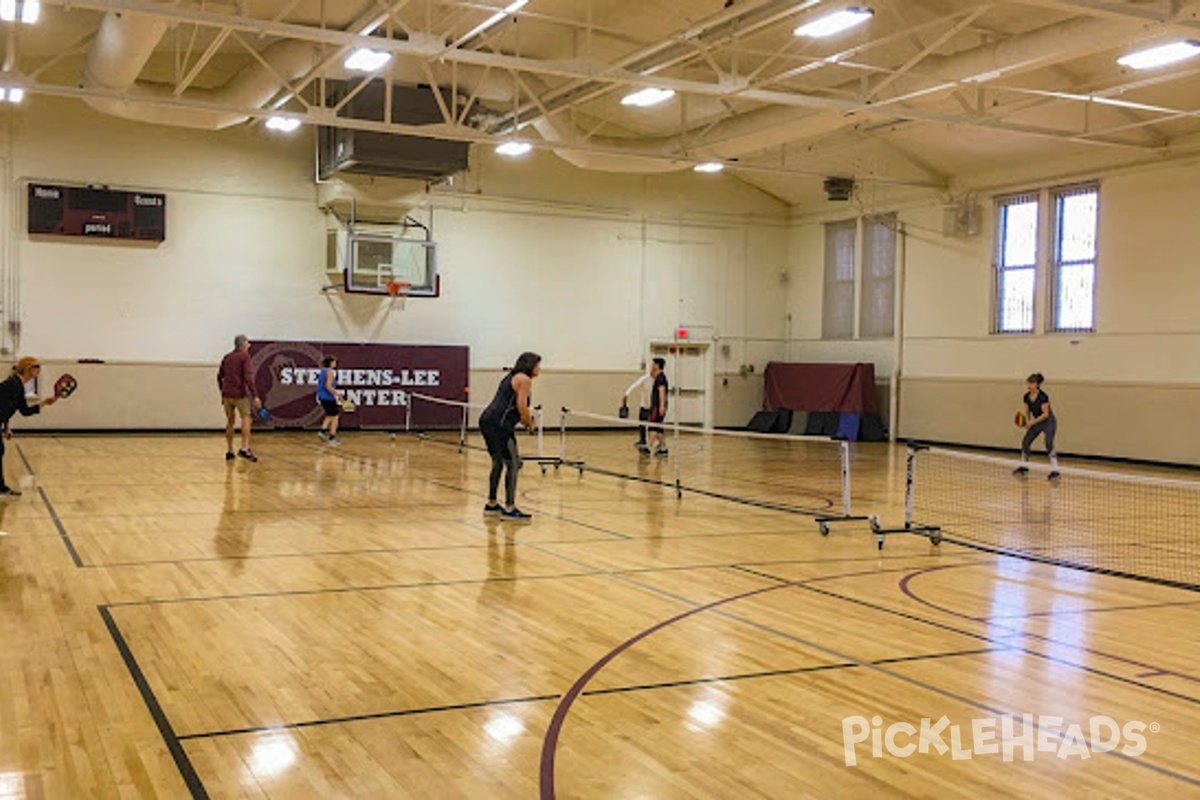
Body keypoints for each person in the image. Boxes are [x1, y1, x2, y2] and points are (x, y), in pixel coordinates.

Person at [479, 352, 540, 521]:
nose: (539, 369)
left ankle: (491, 504)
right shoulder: (524, 380)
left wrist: (525, 419)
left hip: (487, 421)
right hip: (500, 425)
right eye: (537, 365)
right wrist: (530, 424)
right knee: (513, 464)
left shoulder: (512, 376)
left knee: (498, 462)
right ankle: (509, 508)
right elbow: (521, 406)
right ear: (530, 365)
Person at [0, 357, 57, 497]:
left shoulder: (18, 385)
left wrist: (44, 403)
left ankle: (1, 488)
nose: (39, 370)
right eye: (37, 367)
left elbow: (24, 411)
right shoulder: (12, 384)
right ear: (28, 368)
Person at [218, 334, 262, 462]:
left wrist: (222, 392)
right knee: (246, 418)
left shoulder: (227, 357)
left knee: (230, 421)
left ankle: (230, 450)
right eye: (247, 344)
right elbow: (248, 377)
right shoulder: (244, 357)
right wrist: (255, 396)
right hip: (239, 394)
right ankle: (244, 448)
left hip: (227, 395)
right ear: (243, 345)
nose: (249, 346)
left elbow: (219, 376)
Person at [1014, 372, 1059, 480]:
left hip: (1048, 422)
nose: (1028, 386)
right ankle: (1024, 466)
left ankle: (1055, 470)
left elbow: (1045, 414)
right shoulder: (1026, 397)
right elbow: (1027, 411)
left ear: (1037, 385)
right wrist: (1027, 422)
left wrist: (1032, 423)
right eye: (1027, 383)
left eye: (1031, 383)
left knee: (1048, 442)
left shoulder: (1043, 397)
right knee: (1025, 442)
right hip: (1036, 422)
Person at [622, 367, 653, 454]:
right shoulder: (645, 379)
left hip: (653, 407)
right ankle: (642, 440)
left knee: (653, 427)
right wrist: (626, 395)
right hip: (644, 406)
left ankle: (654, 445)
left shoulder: (658, 381)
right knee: (642, 424)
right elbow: (633, 386)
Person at [316, 355, 344, 446]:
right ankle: (332, 437)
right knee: (335, 416)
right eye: (334, 362)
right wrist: (338, 394)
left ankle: (322, 431)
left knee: (330, 415)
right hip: (327, 397)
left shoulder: (322, 371)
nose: (336, 363)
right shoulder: (330, 372)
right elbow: (328, 386)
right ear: (331, 363)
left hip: (322, 397)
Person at [647, 357, 670, 457]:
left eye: (653, 364)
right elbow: (651, 375)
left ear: (657, 365)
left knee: (653, 426)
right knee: (659, 427)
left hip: (657, 406)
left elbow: (662, 391)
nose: (651, 366)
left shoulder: (661, 378)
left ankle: (648, 447)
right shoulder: (659, 376)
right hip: (657, 405)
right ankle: (663, 447)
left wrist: (661, 406)